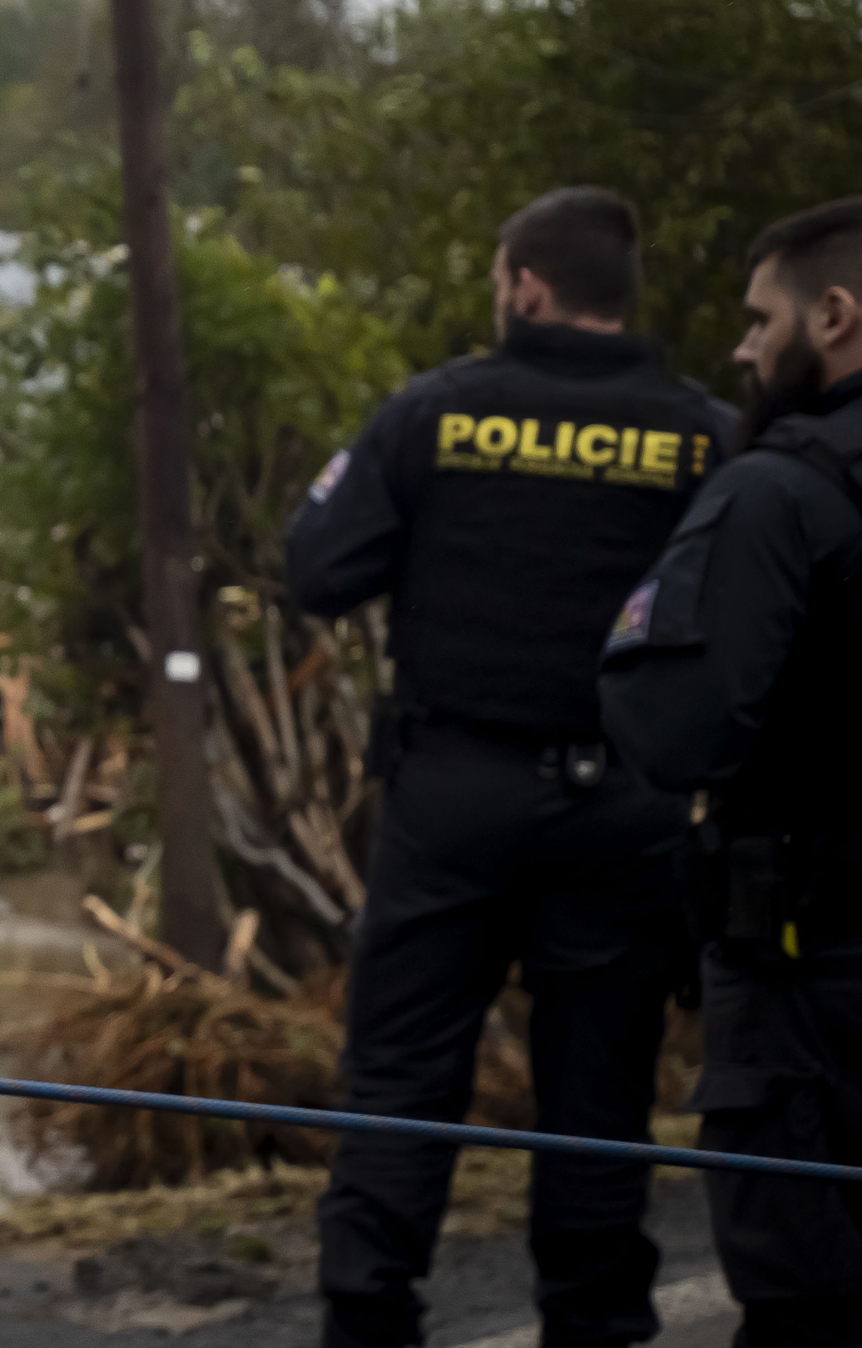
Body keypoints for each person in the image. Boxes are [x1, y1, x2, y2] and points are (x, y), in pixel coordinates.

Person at [286, 187, 734, 1348]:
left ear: (523, 287)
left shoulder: (436, 411)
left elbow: (318, 566)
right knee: (597, 1094)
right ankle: (596, 1324)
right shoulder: (698, 434)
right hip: (624, 805)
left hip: (452, 797)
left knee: (400, 1073)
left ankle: (368, 1316)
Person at [601, 194, 862, 1346]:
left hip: (815, 992)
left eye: (762, 321)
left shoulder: (778, 491)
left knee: (805, 1306)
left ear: (836, 315)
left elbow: (673, 728)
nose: (743, 350)